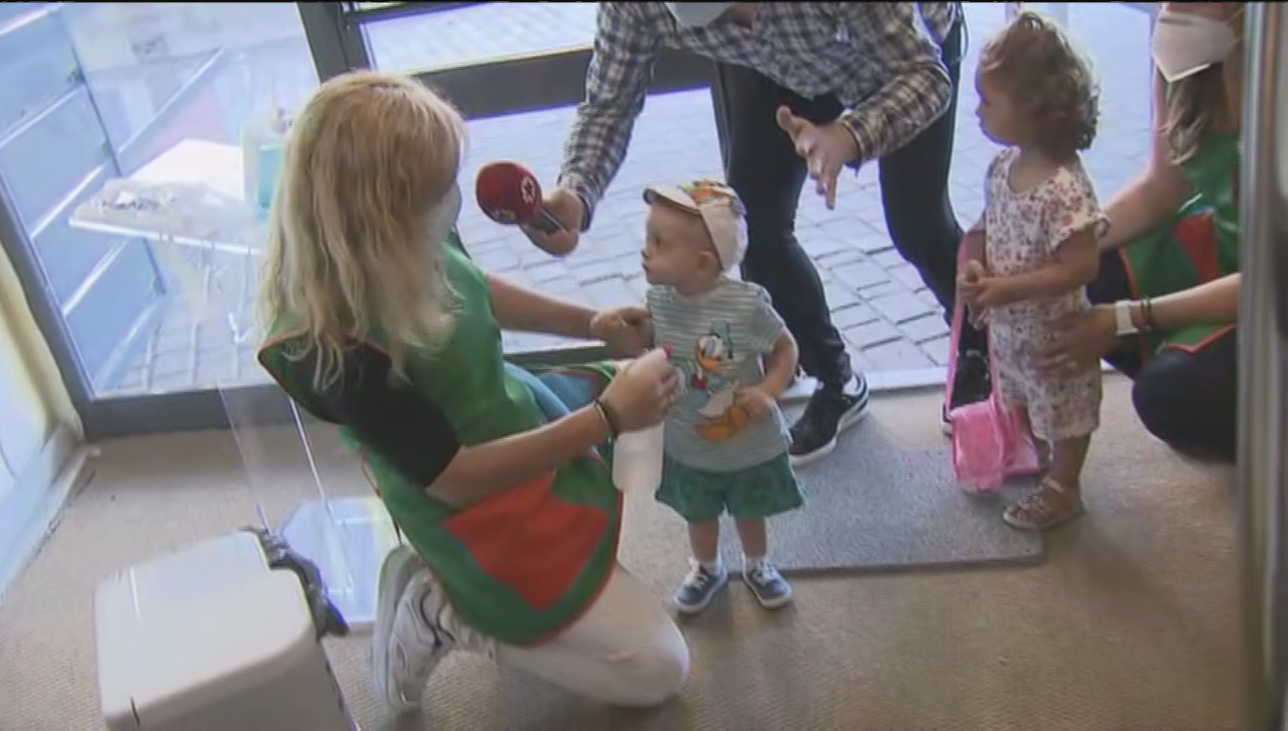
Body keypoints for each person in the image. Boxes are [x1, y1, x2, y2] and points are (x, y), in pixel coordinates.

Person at [253, 71, 691, 715]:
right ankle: (441, 609)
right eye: (439, 191)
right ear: (382, 207)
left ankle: (569, 580)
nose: (454, 201)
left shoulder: (403, 229)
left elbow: (467, 284)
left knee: (661, 414)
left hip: (510, 415)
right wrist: (606, 416)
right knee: (658, 671)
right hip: (471, 499)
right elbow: (453, 479)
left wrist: (592, 324)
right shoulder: (329, 345)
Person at [526, 2, 987, 466]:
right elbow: (609, 103)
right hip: (775, 67)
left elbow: (925, 76)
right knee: (753, 228)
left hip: (906, 55)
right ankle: (836, 379)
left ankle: (980, 350)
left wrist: (848, 136)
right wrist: (577, 191)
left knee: (916, 224)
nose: (731, 23)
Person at [1040, 2, 1244, 464]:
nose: (1172, 8)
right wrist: (1060, 249)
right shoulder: (1186, 61)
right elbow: (1160, 190)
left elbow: (1273, 284)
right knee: (1078, 277)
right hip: (1229, 259)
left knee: (1169, 395)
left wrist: (1128, 318)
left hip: (1270, 290)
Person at [595, 179, 804, 613]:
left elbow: (786, 348)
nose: (645, 250)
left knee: (750, 509)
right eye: (647, 238)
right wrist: (617, 326)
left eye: (659, 242)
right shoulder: (658, 302)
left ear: (704, 263)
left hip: (745, 440)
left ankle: (758, 564)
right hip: (688, 440)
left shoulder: (746, 305)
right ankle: (706, 567)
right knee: (699, 512)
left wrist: (768, 390)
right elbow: (645, 343)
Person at [959, 11, 1108, 531]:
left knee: (1063, 410)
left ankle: (1064, 487)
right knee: (1025, 398)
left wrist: (1007, 288)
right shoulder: (1002, 167)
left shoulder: (1064, 188)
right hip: (1011, 330)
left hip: (1054, 333)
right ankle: (1041, 463)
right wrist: (975, 267)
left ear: (1034, 109)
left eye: (989, 102)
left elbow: (1081, 264)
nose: (977, 111)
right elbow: (985, 226)